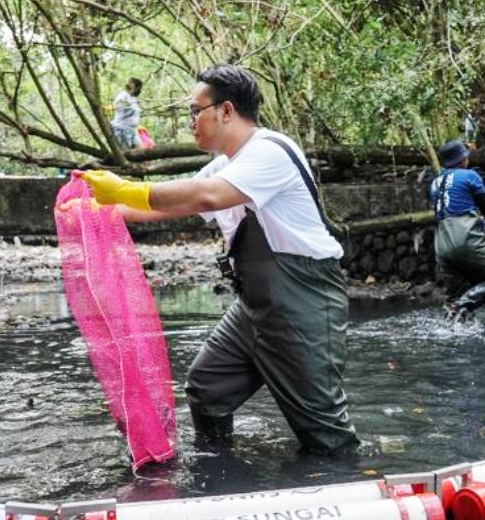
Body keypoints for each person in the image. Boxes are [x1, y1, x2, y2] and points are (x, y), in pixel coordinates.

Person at [81, 64, 358, 454]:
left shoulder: (270, 151)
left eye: (196, 111)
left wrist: (125, 188)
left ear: (226, 111)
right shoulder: (228, 162)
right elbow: (169, 206)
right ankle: (218, 476)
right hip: (255, 305)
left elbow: (206, 196)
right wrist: (92, 208)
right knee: (208, 386)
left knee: (323, 430)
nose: (191, 121)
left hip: (303, 301)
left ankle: (352, 490)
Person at [429, 139, 485, 320]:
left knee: (455, 296)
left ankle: (454, 328)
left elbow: (448, 211)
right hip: (465, 240)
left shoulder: (435, 183)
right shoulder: (469, 176)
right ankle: (464, 304)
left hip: (441, 245)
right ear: (463, 159)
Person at [111, 77, 143, 149]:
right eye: (138, 87)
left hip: (133, 130)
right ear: (133, 86)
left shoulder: (133, 97)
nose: (139, 90)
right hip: (123, 129)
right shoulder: (123, 95)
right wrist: (129, 105)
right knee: (126, 152)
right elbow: (117, 105)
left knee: (141, 149)